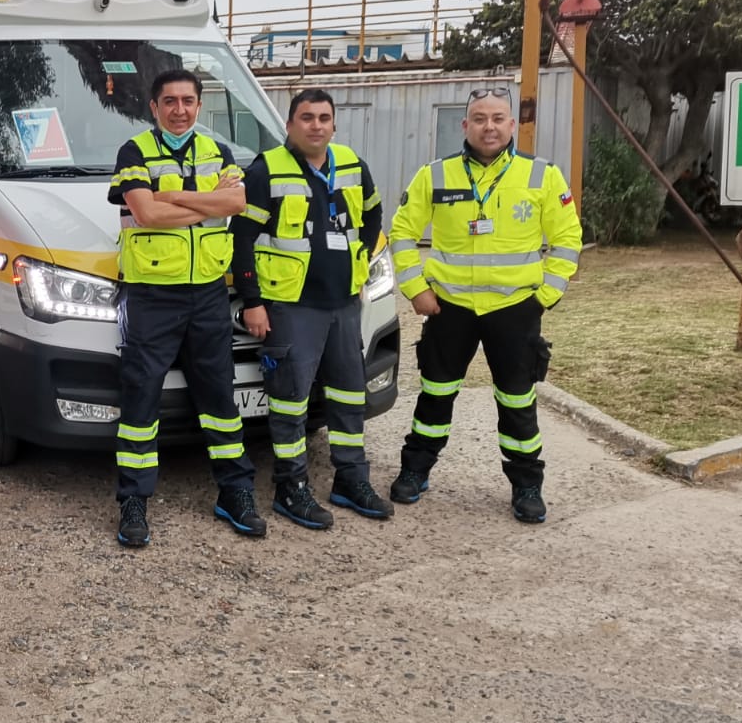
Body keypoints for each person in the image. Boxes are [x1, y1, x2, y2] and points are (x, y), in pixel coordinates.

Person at [388, 86, 583, 523]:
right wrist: (416, 288)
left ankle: (527, 485)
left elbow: (568, 237)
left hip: (515, 309)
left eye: (498, 118)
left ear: (512, 125)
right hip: (449, 307)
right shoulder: (435, 175)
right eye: (479, 118)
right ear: (465, 125)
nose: (489, 126)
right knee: (435, 395)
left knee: (517, 401)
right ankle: (415, 470)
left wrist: (545, 295)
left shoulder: (542, 175)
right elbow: (401, 231)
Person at [107, 69, 260, 547]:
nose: (180, 109)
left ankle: (234, 492)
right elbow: (146, 213)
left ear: (199, 104)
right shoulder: (134, 152)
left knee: (220, 398)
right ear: (153, 108)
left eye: (188, 100)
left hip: (209, 292)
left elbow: (237, 203)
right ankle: (134, 501)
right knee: (141, 399)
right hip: (152, 293)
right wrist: (207, 203)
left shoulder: (219, 151)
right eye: (169, 101)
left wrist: (174, 195)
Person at [231, 87, 392, 529]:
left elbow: (374, 215)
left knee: (348, 396)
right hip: (290, 306)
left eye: (324, 117)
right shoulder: (266, 170)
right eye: (306, 117)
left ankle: (350, 479)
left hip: (343, 304)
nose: (316, 125)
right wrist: (253, 302)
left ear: (334, 124)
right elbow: (240, 238)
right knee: (289, 402)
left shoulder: (353, 165)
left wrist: (358, 259)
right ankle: (291, 487)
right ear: (290, 125)